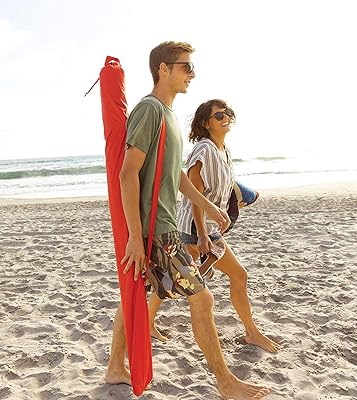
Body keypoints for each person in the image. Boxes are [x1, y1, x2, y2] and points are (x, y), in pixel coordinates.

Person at [105, 41, 271, 399]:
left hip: (159, 227)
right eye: (186, 67)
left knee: (135, 294)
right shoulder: (150, 110)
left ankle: (115, 366)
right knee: (203, 298)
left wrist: (208, 206)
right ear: (163, 69)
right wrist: (135, 235)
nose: (192, 74)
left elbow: (175, 175)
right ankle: (225, 382)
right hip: (156, 230)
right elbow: (127, 173)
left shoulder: (168, 115)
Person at [148, 99, 281, 354]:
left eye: (228, 113)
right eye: (219, 115)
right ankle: (251, 332)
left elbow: (217, 191)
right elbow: (194, 195)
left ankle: (251, 332)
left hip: (209, 229)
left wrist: (232, 206)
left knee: (186, 277)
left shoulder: (223, 151)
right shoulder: (204, 150)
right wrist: (202, 235)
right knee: (218, 276)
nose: (226, 117)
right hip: (193, 230)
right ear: (205, 123)